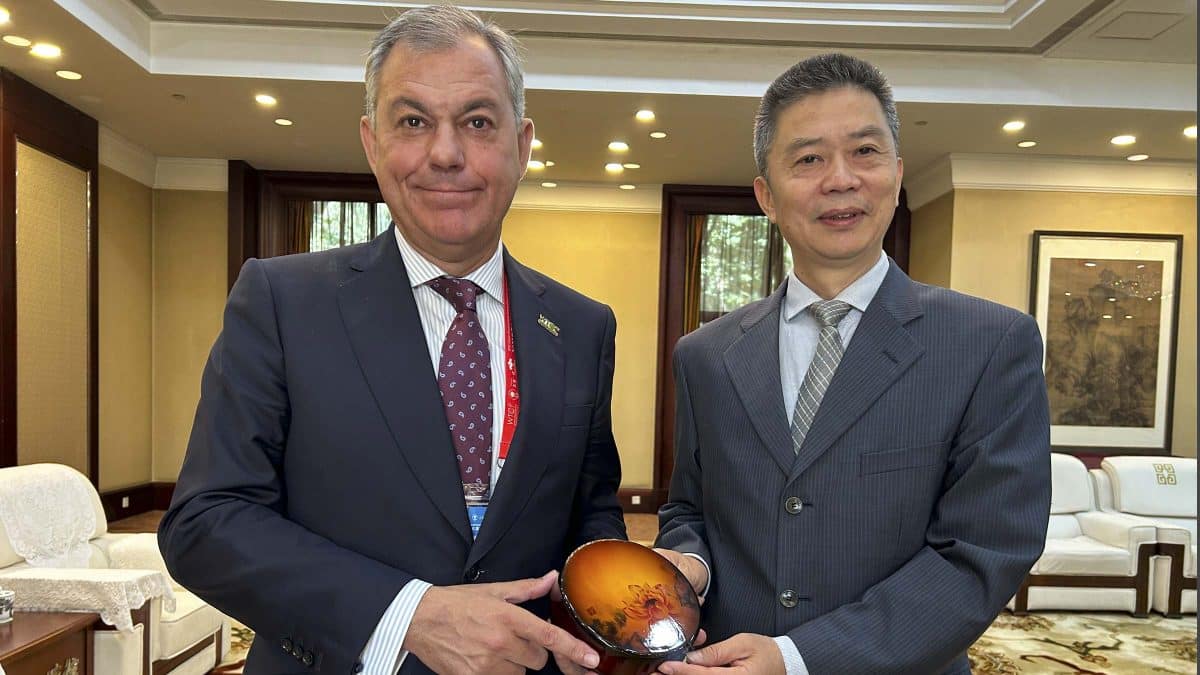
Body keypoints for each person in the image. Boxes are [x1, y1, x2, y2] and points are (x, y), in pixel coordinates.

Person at [158, 6, 626, 674]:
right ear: (372, 142)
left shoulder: (582, 327)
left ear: (522, 146)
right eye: (413, 122)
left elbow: (592, 515)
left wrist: (607, 619)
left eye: (477, 122)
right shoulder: (282, 302)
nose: (446, 154)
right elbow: (205, 521)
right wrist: (408, 614)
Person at [653, 53, 1051, 675]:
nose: (840, 180)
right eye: (808, 159)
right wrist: (690, 564)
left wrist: (796, 658)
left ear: (896, 173)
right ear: (767, 196)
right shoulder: (705, 354)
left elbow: (981, 552)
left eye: (864, 152)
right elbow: (689, 509)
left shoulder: (989, 344)